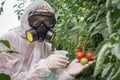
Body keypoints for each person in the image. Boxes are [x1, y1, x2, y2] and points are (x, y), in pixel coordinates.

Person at [0, 0, 94, 80]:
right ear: (26, 20)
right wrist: (44, 66)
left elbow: (49, 78)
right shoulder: (10, 39)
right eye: (35, 20)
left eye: (46, 21)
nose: (42, 26)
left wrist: (68, 72)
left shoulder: (45, 45)